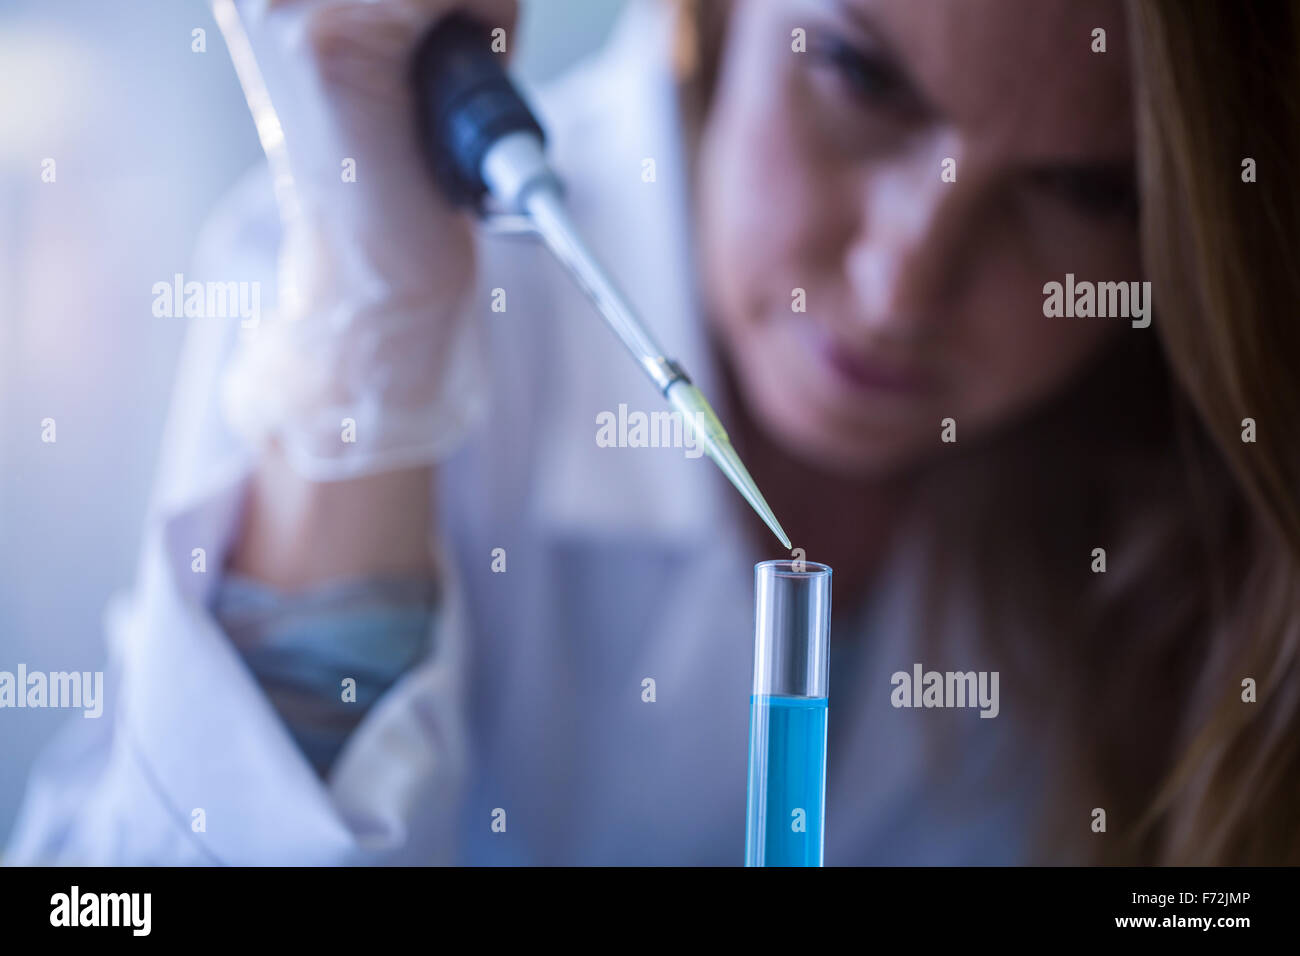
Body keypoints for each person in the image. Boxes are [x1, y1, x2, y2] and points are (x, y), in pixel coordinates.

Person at [9, 0, 1300, 865]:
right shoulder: (359, 297)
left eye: (1082, 188)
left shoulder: (1179, 469)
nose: (903, 281)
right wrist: (372, 349)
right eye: (859, 75)